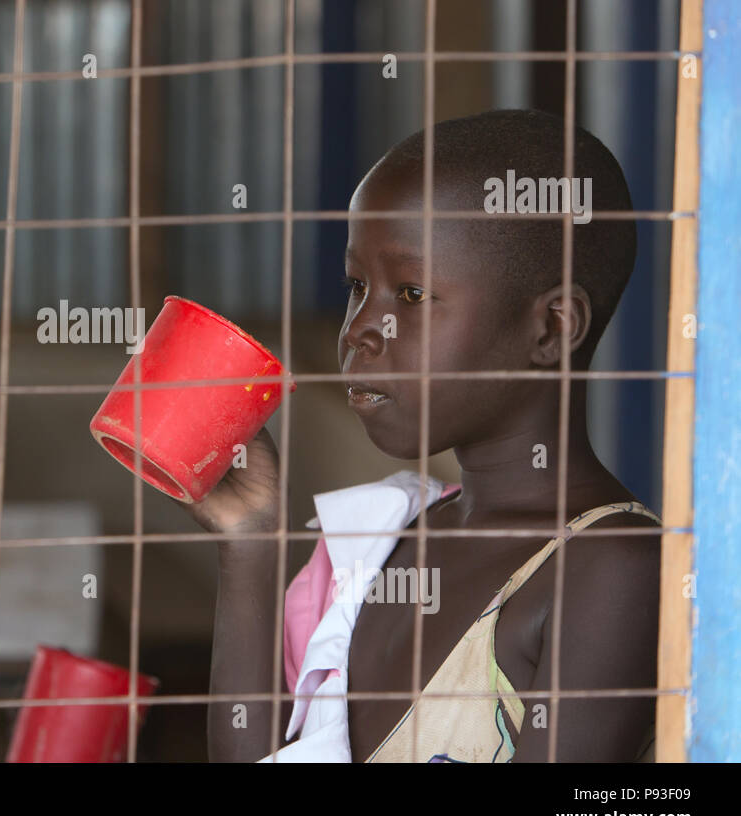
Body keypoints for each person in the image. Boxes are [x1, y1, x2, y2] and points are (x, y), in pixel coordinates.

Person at [195, 109, 662, 762]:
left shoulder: (611, 568)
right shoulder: (383, 543)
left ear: (552, 328)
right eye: (359, 287)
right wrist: (249, 542)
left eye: (410, 294)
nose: (359, 328)